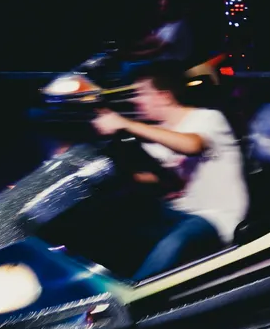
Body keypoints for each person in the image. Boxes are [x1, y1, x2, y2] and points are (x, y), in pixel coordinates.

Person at [91, 62, 248, 280]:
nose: (135, 99)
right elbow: (161, 179)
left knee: (175, 242)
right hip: (177, 213)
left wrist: (124, 123)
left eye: (141, 93)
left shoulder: (207, 118)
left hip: (215, 218)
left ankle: (134, 299)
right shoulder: (156, 135)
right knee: (110, 223)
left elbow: (191, 145)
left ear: (164, 96)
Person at [125, 0, 193, 65]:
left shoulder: (179, 25)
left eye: (166, 7)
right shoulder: (167, 23)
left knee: (128, 67)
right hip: (160, 60)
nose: (162, 9)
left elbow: (159, 50)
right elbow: (152, 40)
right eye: (160, 6)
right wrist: (131, 44)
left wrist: (132, 55)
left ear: (173, 8)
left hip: (172, 63)